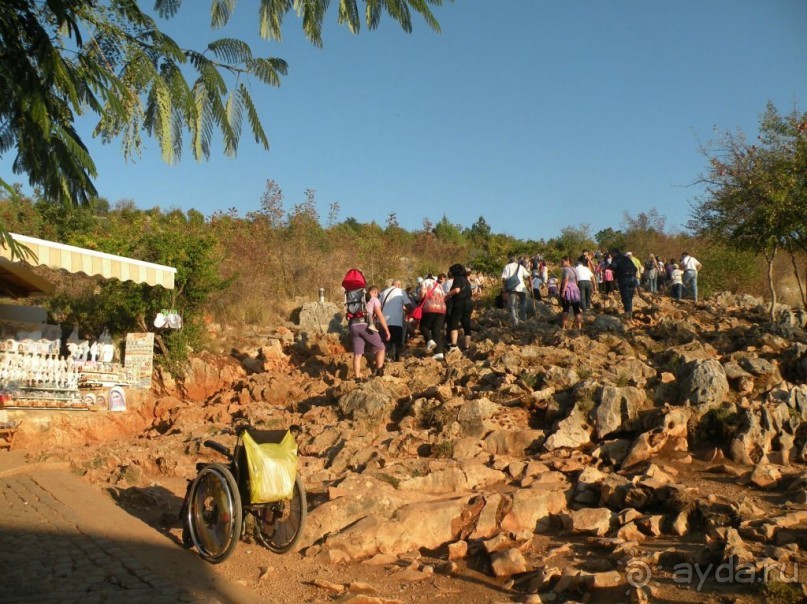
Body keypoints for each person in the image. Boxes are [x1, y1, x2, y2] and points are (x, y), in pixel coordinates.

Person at [349, 285, 390, 380]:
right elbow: (379, 315)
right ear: (375, 292)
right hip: (365, 325)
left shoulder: (357, 301)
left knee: (358, 354)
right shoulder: (374, 299)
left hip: (353, 326)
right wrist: (386, 330)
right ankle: (378, 372)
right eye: (378, 294)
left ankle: (357, 378)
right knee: (381, 347)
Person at [379, 279, 412, 362]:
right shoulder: (401, 291)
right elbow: (408, 304)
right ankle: (395, 359)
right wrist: (409, 312)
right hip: (396, 321)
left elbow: (378, 306)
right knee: (396, 341)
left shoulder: (383, 292)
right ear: (398, 285)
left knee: (386, 341)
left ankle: (385, 358)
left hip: (384, 321)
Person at [419, 273, 447, 360]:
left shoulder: (425, 282)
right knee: (436, 330)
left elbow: (422, 293)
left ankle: (429, 341)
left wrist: (420, 299)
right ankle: (439, 353)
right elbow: (444, 296)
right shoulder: (439, 285)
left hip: (430, 307)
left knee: (423, 326)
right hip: (442, 309)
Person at [446, 264, 473, 351]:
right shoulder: (467, 280)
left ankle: (453, 345)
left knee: (454, 323)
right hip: (469, 303)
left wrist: (448, 294)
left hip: (459, 303)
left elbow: (457, 290)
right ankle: (467, 347)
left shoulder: (457, 279)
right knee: (466, 325)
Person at [501, 257, 530, 326]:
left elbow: (503, 278)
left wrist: (505, 288)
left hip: (511, 288)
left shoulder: (507, 266)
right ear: (516, 261)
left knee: (513, 305)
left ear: (510, 261)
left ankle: (515, 321)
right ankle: (523, 318)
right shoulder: (520, 266)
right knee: (523, 302)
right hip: (521, 287)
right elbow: (527, 276)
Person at [611, 249, 638, 317]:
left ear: (615, 253)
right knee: (629, 298)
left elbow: (613, 266)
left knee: (626, 298)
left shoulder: (616, 259)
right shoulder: (627, 258)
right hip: (633, 278)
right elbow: (635, 269)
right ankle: (629, 313)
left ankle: (628, 315)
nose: (611, 255)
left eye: (612, 254)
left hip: (624, 279)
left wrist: (606, 268)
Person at [559, 257, 583, 330]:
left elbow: (566, 280)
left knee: (565, 308)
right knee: (577, 309)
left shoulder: (566, 269)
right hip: (575, 289)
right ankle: (579, 327)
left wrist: (563, 291)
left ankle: (563, 327)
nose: (562, 263)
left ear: (567, 261)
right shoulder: (574, 269)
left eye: (563, 261)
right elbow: (576, 280)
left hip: (567, 289)